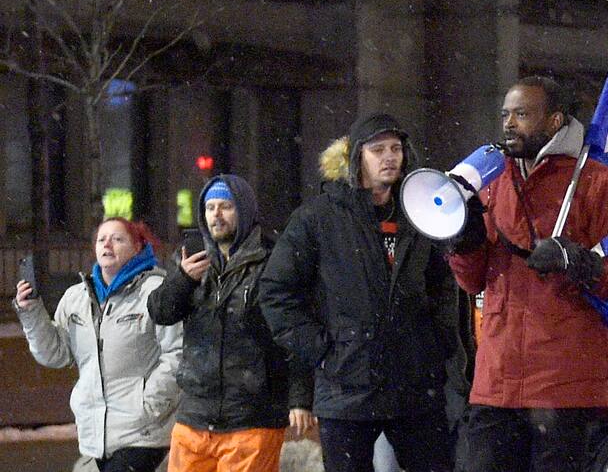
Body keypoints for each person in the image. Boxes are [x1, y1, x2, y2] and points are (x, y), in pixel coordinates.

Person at [446, 75, 608, 471]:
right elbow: (472, 282)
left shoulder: (597, 183)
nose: (509, 124)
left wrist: (581, 262)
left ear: (555, 121)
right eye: (506, 114)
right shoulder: (493, 179)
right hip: (499, 379)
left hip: (565, 386)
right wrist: (464, 243)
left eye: (522, 114)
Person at [260, 113, 463, 472]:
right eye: (378, 149)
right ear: (356, 157)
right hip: (345, 386)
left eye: (396, 149)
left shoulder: (419, 212)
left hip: (414, 385)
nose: (390, 157)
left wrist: (435, 342)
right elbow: (277, 291)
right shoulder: (319, 217)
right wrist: (322, 350)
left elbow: (445, 286)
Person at [147, 175, 314, 472]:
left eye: (225, 206)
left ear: (245, 211)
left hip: (252, 417)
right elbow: (160, 312)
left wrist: (300, 397)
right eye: (210, 207)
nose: (216, 215)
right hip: (194, 416)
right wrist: (182, 280)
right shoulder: (190, 262)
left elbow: (293, 330)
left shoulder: (273, 261)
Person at [12, 218, 181, 472]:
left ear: (137, 247)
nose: (107, 245)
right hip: (95, 438)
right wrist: (31, 312)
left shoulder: (156, 291)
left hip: (144, 434)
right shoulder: (76, 297)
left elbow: (178, 353)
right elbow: (56, 353)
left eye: (118, 239)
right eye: (102, 239)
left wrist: (149, 404)